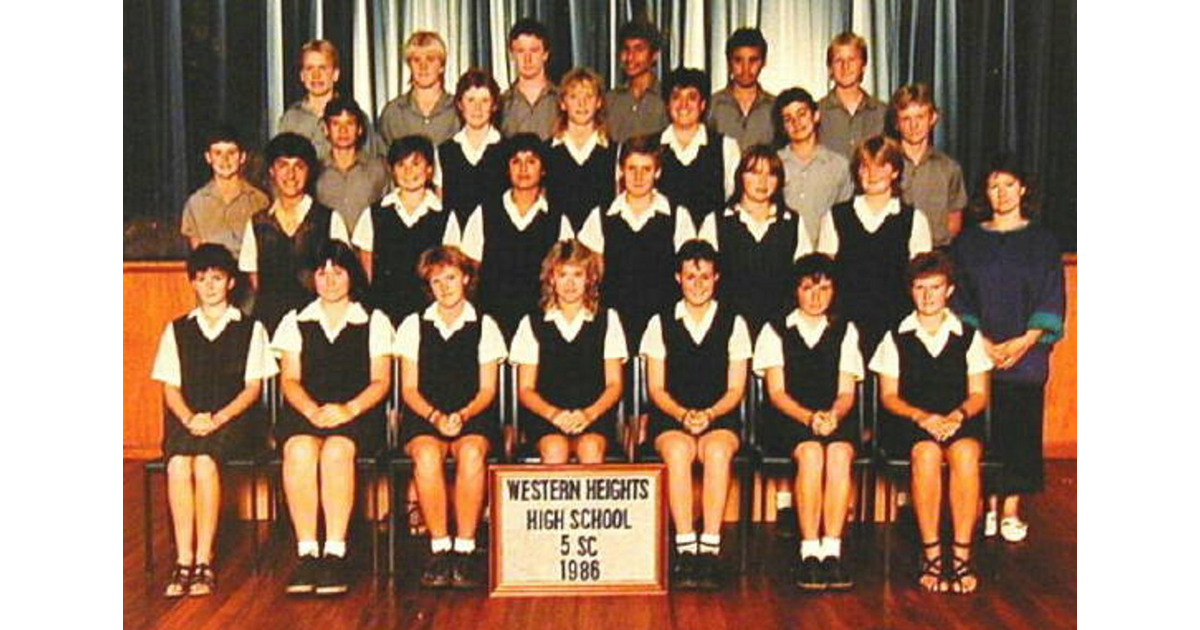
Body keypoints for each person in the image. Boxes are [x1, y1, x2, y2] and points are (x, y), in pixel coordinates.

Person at [151, 244, 277, 598]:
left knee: (205, 463)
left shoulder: (251, 329)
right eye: (202, 278)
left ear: (231, 282)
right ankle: (183, 559)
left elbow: (253, 389)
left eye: (217, 278)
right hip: (188, 419)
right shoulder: (176, 329)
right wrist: (191, 418)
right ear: (193, 282)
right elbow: (170, 388)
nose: (209, 286)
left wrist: (217, 418)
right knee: (178, 465)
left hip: (234, 420)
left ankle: (205, 561)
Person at [950, 154, 1064, 544]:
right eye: (994, 185)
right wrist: (980, 341)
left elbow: (1052, 296)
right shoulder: (968, 241)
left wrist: (1025, 341)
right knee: (981, 431)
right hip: (978, 350)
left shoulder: (1043, 241)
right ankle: (984, 507)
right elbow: (959, 298)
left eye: (1009, 185)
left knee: (1018, 429)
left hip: (1026, 353)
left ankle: (1010, 508)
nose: (1001, 194)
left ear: (1023, 188)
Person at [272, 240, 393, 596]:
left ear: (351, 276)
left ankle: (335, 553)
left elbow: (381, 381)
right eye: (322, 272)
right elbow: (289, 379)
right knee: (299, 450)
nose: (329, 280)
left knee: (337, 451)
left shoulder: (373, 320)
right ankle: (307, 551)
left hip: (357, 413)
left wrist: (348, 410)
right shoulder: (295, 320)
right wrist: (311, 410)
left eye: (337, 272)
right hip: (308, 410)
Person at [869, 251, 992, 594]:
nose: (927, 295)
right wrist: (923, 417)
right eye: (920, 288)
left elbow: (979, 393)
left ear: (949, 290)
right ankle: (932, 553)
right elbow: (889, 396)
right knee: (925, 454)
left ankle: (962, 554)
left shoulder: (968, 336)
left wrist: (956, 417)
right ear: (911, 291)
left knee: (965, 455)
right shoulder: (895, 336)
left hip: (958, 419)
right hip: (912, 422)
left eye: (935, 287)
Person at [640, 239, 751, 590]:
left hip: (719, 417)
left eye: (705, 276)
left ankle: (711, 549)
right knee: (677, 451)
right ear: (678, 278)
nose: (698, 284)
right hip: (672, 416)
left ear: (716, 278)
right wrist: (683, 415)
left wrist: (709, 414)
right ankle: (686, 547)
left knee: (716, 451)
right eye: (691, 277)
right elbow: (655, 388)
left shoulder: (734, 322)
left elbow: (736, 389)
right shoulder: (660, 323)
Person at [395, 246, 507, 589]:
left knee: (471, 453)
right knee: (427, 456)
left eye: (452, 278)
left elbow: (488, 389)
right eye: (436, 280)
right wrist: (435, 417)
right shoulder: (413, 325)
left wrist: (461, 415)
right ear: (429, 286)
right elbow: (409, 389)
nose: (445, 287)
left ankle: (466, 548)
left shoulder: (485, 325)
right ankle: (440, 547)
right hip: (424, 415)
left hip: (471, 414)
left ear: (467, 279)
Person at [753, 253, 863, 591]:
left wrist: (832, 415)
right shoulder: (775, 330)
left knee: (840, 454)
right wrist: (809, 418)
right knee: (813, 454)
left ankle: (832, 550)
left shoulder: (845, 330)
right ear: (795, 291)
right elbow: (777, 392)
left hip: (832, 415)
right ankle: (808, 551)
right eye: (808, 288)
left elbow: (846, 392)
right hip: (788, 417)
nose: (816, 297)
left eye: (825, 289)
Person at [576, 134, 699, 348]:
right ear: (621, 170)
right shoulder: (601, 216)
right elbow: (590, 276)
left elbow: (689, 274)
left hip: (664, 325)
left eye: (646, 169)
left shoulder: (678, 216)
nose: (639, 177)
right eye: (632, 168)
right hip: (614, 326)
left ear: (658, 172)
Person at [511, 240, 627, 464]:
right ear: (551, 279)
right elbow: (525, 389)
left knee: (590, 448)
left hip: (594, 416)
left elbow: (614, 385)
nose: (570, 283)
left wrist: (588, 415)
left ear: (590, 278)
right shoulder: (532, 323)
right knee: (555, 449)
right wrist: (555, 415)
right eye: (563, 275)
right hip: (547, 418)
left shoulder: (608, 320)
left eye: (578, 274)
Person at [816, 135, 932, 357]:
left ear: (895, 171)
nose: (873, 174)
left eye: (881, 166)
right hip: (847, 325)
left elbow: (922, 279)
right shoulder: (835, 216)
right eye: (865, 167)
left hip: (897, 324)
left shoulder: (914, 219)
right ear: (857, 172)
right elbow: (824, 276)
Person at [459, 133, 575, 338]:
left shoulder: (558, 219)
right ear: (507, 168)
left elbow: (566, 274)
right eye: (516, 162)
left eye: (531, 161)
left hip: (542, 322)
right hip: (491, 323)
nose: (523, 169)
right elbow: (469, 272)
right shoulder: (484, 213)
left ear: (543, 169)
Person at [238, 133, 351, 333]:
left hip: (318, 327)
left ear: (309, 172)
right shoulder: (257, 224)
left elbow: (342, 278)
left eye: (298, 166)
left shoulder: (330, 219)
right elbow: (256, 283)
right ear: (272, 171)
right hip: (270, 326)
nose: (290, 175)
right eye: (283, 166)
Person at [698, 146, 813, 333]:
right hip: (728, 329)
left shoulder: (792, 223)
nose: (763, 181)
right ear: (740, 177)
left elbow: (805, 280)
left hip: (780, 331)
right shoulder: (716, 222)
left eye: (771, 174)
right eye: (755, 173)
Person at [352, 135, 462, 324]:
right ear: (392, 170)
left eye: (416, 164)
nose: (408, 171)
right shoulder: (374, 214)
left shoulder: (444, 216)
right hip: (384, 315)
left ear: (429, 170)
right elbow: (366, 272)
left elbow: (450, 269)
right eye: (401, 165)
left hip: (429, 315)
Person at [657, 67, 741, 227]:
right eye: (676, 97)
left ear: (703, 104)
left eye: (692, 97)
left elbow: (734, 203)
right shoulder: (651, 147)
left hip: (711, 245)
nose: (684, 105)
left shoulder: (726, 147)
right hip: (660, 245)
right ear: (667, 105)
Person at [772, 87, 853, 247]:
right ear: (782, 127)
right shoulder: (773, 164)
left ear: (816, 116)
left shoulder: (838, 165)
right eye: (788, 119)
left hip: (825, 258)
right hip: (782, 254)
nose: (796, 123)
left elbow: (845, 220)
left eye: (802, 114)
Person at [277, 39, 384, 160]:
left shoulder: (355, 117)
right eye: (309, 68)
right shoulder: (290, 120)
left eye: (322, 68)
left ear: (335, 74)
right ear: (302, 75)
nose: (316, 75)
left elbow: (371, 164)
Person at [891, 83, 968, 248]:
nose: (914, 126)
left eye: (920, 117)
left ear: (933, 118)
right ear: (896, 123)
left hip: (935, 255)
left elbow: (954, 222)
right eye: (906, 119)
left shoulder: (949, 168)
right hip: (893, 254)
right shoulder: (886, 165)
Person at [180, 125, 270, 257]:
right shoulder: (195, 203)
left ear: (242, 157)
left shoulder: (259, 200)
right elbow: (199, 257)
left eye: (232, 153)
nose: (225, 159)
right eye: (218, 153)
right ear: (208, 157)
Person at [546, 67, 617, 231]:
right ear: (563, 103)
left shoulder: (614, 152)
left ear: (599, 102)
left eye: (588, 97)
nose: (581, 104)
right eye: (573, 97)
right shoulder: (547, 152)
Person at [435, 68, 508, 224]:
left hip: (498, 238)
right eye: (471, 100)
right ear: (460, 104)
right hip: (456, 241)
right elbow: (441, 204)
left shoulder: (507, 150)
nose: (477, 108)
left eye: (485, 100)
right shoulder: (445, 152)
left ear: (494, 105)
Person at [315, 96, 389, 232]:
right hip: (327, 250)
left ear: (360, 129)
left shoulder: (378, 169)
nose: (343, 131)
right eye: (336, 124)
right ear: (325, 129)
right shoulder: (315, 171)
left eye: (350, 123)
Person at [378, 31, 461, 147]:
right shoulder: (393, 113)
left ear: (442, 66)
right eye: (416, 60)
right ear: (409, 65)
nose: (423, 67)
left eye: (430, 59)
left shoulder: (458, 110)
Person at [816, 32, 886, 160]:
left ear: (863, 66)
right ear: (830, 68)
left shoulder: (882, 112)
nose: (845, 67)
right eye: (838, 61)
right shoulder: (817, 113)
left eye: (852, 60)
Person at [707, 27, 776, 150]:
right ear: (729, 62)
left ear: (764, 62)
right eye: (738, 60)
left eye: (753, 60)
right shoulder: (711, 105)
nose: (746, 68)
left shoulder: (775, 107)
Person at [604, 20, 669, 145]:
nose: (630, 57)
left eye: (639, 49)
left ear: (654, 55)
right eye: (626, 49)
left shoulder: (666, 98)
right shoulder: (610, 99)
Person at [500, 18, 559, 140]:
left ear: (545, 54)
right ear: (512, 55)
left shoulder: (562, 101)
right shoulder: (502, 104)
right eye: (521, 51)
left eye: (534, 50)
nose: (527, 59)